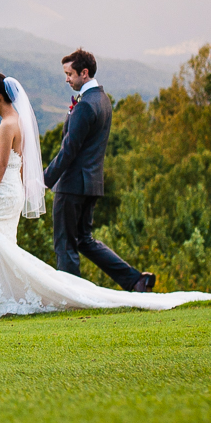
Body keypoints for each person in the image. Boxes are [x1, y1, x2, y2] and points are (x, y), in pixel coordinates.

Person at [0, 72, 211, 318]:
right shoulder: (19, 122)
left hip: (9, 192)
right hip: (13, 191)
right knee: (0, 248)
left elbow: (3, 165)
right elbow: (21, 161)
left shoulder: (7, 126)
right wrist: (26, 187)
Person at [42, 48, 148, 291]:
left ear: (84, 72)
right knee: (84, 240)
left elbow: (69, 150)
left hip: (72, 185)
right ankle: (135, 280)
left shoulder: (85, 106)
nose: (66, 79)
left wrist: (45, 180)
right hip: (92, 184)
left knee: (65, 244)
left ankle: (73, 296)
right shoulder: (103, 100)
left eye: (69, 74)